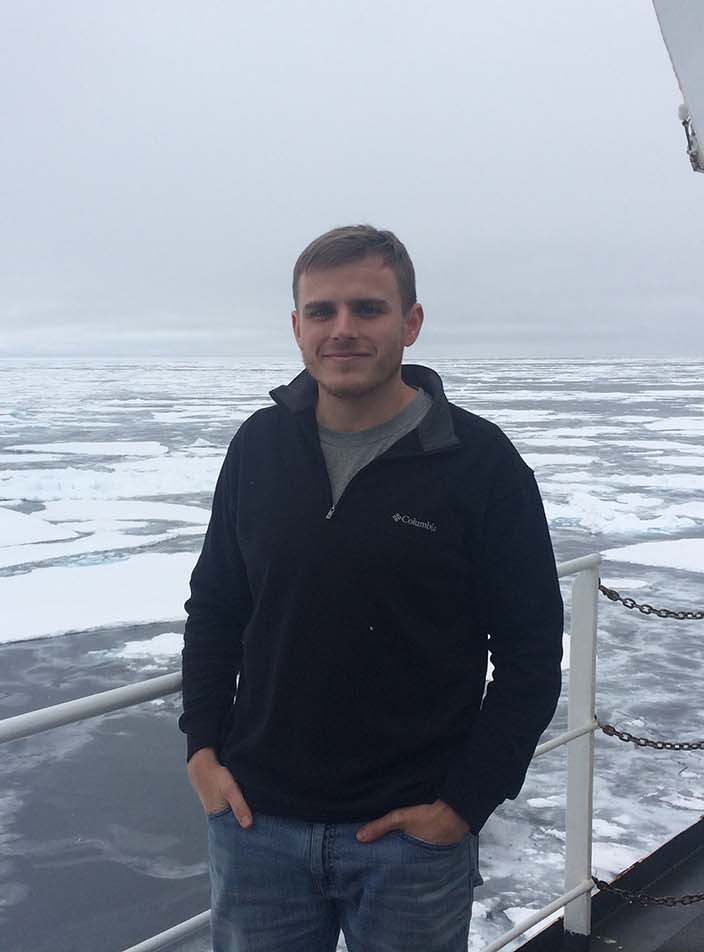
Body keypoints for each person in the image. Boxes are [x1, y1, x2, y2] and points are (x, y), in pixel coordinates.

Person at [180, 224, 564, 952]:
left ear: (411, 323)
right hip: (257, 829)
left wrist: (463, 804)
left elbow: (531, 651)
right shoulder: (258, 446)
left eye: (368, 309)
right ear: (296, 328)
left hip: (410, 840)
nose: (343, 330)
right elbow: (217, 609)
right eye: (322, 312)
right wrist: (202, 749)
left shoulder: (480, 465)